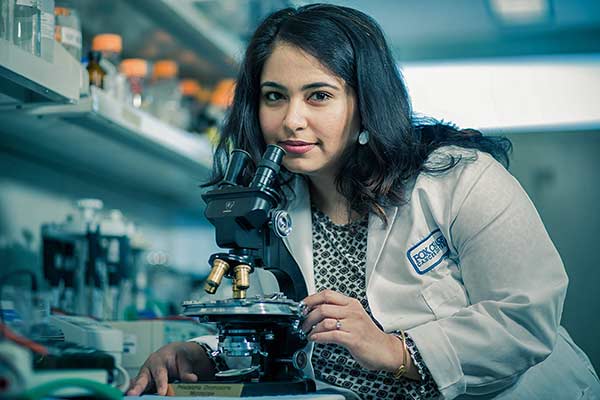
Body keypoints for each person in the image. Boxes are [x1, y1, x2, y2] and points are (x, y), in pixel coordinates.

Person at [128, 4, 600, 399]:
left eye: (319, 96)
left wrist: (396, 350)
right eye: (275, 97)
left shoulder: (458, 178)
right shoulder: (272, 201)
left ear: (366, 102)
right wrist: (204, 354)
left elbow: (524, 319)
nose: (292, 119)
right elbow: (283, 330)